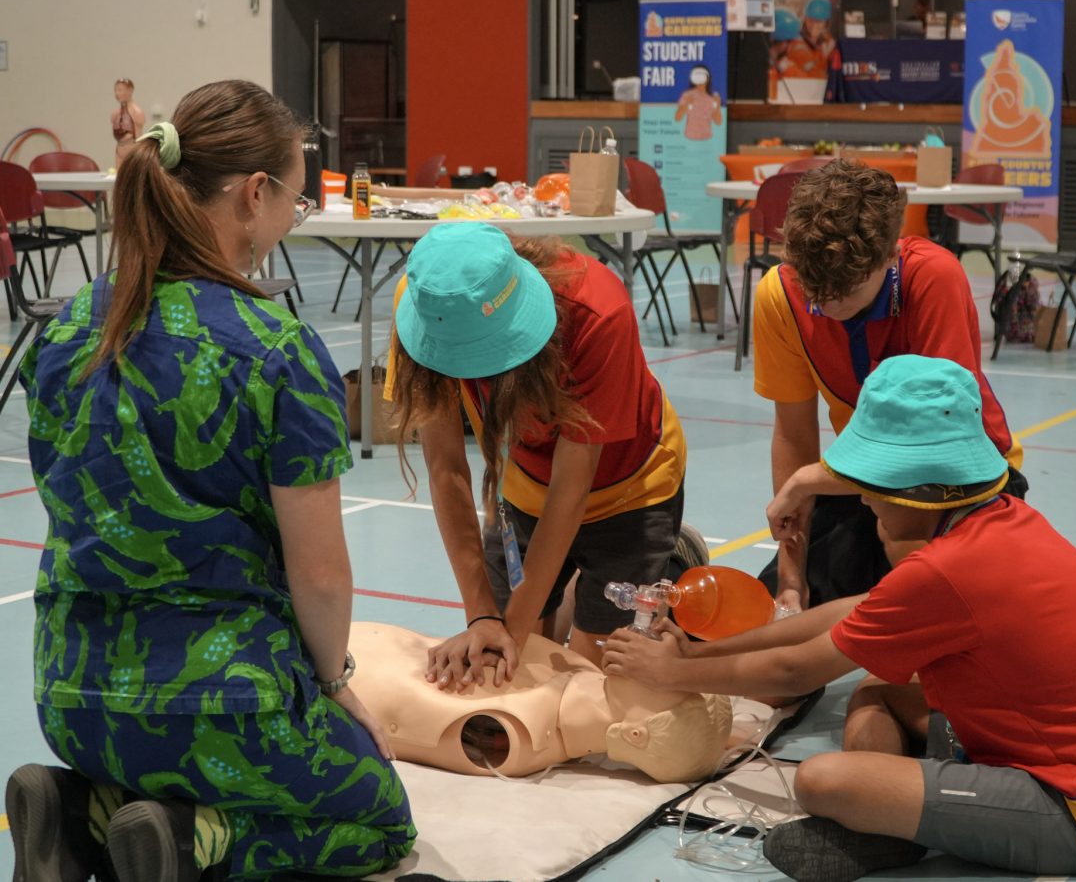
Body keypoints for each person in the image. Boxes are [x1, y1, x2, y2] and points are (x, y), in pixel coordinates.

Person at [6, 79, 415, 882]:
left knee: (166, 759)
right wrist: (335, 686)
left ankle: (78, 810)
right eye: (294, 203)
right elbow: (323, 576)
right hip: (221, 703)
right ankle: (194, 841)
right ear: (255, 194)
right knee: (377, 816)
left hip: (71, 700)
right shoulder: (277, 350)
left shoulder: (67, 333)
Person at [602, 354, 1076, 882]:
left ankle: (893, 826)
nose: (863, 501)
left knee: (823, 780)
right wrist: (697, 653)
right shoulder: (994, 520)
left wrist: (672, 674)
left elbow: (792, 674)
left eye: (872, 487)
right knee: (877, 689)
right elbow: (848, 616)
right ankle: (895, 820)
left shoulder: (947, 569)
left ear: (919, 493)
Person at [385, 224, 690, 687]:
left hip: (629, 484)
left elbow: (571, 491)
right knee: (519, 671)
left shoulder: (597, 310)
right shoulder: (427, 301)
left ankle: (675, 557)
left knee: (591, 682)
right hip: (524, 482)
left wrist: (511, 631)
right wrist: (481, 617)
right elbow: (446, 469)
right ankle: (569, 589)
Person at [752, 159, 1025, 610]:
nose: (825, 306)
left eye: (845, 292)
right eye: (813, 292)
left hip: (962, 486)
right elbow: (794, 435)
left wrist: (807, 482)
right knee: (778, 641)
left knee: (916, 643)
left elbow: (936, 444)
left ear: (890, 257)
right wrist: (790, 579)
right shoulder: (779, 295)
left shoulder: (933, 278)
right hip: (865, 484)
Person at [349, 621, 732, 782]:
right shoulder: (580, 671)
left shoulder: (521, 733)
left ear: (634, 734)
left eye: (672, 680)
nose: (669, 663)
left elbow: (407, 713)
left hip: (340, 667)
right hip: (361, 643)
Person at [674, 64, 722, 142]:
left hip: (707, 139)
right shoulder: (687, 95)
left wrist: (717, 105)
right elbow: (677, 118)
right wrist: (686, 104)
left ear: (708, 78)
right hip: (689, 138)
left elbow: (718, 122)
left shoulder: (713, 97)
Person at [110, 77, 146, 168]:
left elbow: (137, 135)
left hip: (132, 150)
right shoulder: (115, 113)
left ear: (130, 91)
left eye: (120, 90)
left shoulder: (137, 112)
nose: (117, 93)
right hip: (119, 150)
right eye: (116, 90)